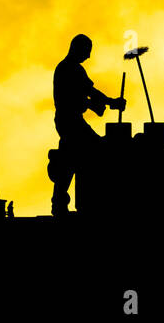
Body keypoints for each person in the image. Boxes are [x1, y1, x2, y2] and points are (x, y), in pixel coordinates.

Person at [48, 34, 125, 215]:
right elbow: (85, 93)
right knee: (95, 151)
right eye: (87, 52)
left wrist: (94, 105)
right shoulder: (70, 69)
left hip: (68, 121)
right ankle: (85, 204)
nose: (89, 56)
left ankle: (60, 203)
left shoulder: (68, 68)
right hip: (70, 121)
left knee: (70, 160)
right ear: (78, 49)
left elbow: (80, 95)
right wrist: (111, 102)